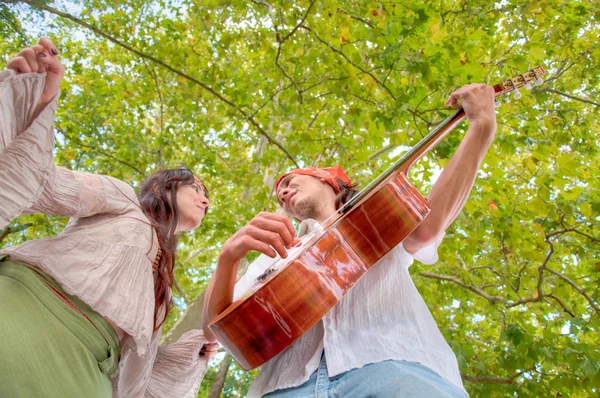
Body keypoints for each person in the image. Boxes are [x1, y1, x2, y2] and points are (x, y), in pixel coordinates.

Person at [204, 83, 499, 397]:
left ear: (330, 180)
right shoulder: (274, 253)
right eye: (280, 195)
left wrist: (481, 125)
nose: (283, 193)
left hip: (393, 368)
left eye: (290, 182)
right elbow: (217, 331)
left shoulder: (378, 218)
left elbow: (426, 229)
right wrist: (227, 259)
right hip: (283, 388)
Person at [0, 38, 219, 398]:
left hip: (92, 377)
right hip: (32, 314)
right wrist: (32, 105)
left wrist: (191, 353)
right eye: (197, 187)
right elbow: (41, 183)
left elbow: (140, 372)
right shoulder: (122, 198)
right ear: (166, 185)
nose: (205, 199)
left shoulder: (162, 284)